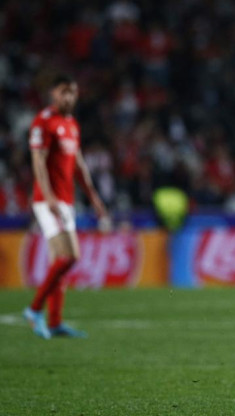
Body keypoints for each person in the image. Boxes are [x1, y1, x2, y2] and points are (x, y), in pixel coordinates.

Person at [23, 75, 111, 339]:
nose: (69, 98)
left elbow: (79, 165)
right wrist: (48, 197)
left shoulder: (71, 124)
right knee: (70, 255)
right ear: (53, 94)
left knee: (58, 261)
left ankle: (55, 321)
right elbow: (38, 161)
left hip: (66, 200)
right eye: (64, 93)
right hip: (47, 200)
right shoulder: (43, 122)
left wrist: (94, 197)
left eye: (72, 93)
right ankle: (34, 308)